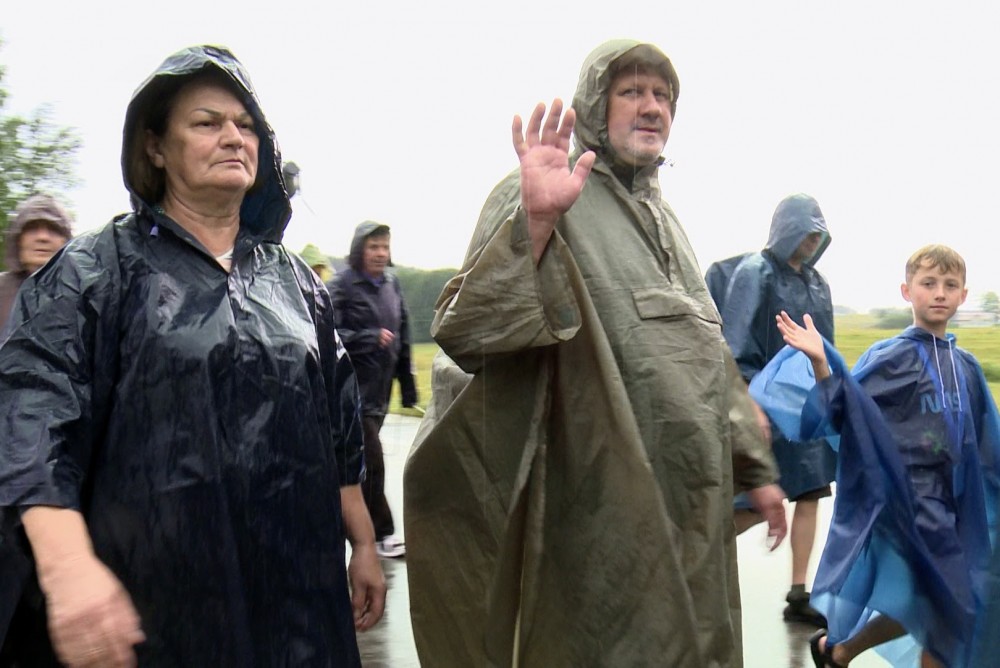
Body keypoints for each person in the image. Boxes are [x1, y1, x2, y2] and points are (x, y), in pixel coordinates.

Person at [403, 39, 786, 667]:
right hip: (594, 507)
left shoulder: (668, 223)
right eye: (631, 92)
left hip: (690, 502)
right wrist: (534, 226)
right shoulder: (543, 191)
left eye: (662, 95)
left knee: (692, 645)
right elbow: (469, 332)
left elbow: (707, 354)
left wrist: (757, 469)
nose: (652, 107)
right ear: (594, 106)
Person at [0, 45, 385, 667]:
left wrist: (363, 544)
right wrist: (67, 568)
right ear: (156, 146)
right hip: (156, 601)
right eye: (207, 122)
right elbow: (32, 421)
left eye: (247, 125)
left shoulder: (296, 283)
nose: (233, 137)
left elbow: (339, 426)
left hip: (297, 599)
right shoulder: (95, 271)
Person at [767, 244, 1000, 667]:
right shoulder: (891, 358)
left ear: (963, 295)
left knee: (934, 601)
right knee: (950, 606)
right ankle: (840, 650)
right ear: (907, 291)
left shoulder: (966, 367)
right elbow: (844, 410)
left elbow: (987, 441)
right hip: (907, 501)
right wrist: (821, 363)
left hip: (951, 507)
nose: (939, 293)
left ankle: (838, 651)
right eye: (928, 283)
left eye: (950, 285)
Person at [705, 193, 837, 627]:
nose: (812, 240)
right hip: (761, 400)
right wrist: (746, 403)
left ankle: (799, 592)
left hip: (805, 404)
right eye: (807, 231)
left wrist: (830, 393)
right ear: (788, 228)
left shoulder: (817, 283)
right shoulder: (756, 272)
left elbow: (826, 345)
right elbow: (734, 341)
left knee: (811, 490)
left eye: (818, 234)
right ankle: (696, 562)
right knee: (752, 498)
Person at [329, 222, 416, 559]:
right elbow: (327, 332)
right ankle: (381, 534)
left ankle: (345, 527)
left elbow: (403, 334)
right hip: (350, 392)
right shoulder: (342, 286)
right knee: (373, 463)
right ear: (359, 250)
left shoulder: (392, 284)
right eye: (373, 247)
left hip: (381, 391)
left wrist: (407, 386)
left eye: (385, 246)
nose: (381, 253)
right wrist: (368, 337)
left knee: (358, 466)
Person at [0, 194, 73, 332]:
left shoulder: (85, 295)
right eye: (32, 228)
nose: (43, 237)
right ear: (18, 239)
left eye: (53, 229)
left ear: (66, 241)